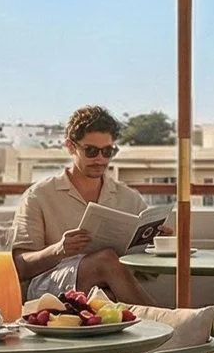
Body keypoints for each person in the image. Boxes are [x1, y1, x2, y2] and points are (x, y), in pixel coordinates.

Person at [12, 104, 156, 308]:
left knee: (108, 294)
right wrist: (59, 250)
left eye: (108, 151)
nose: (100, 159)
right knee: (106, 260)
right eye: (91, 151)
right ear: (71, 147)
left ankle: (158, 323)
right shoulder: (39, 195)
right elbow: (20, 265)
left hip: (107, 283)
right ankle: (167, 323)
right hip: (48, 286)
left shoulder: (128, 199)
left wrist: (154, 244)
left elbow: (148, 273)